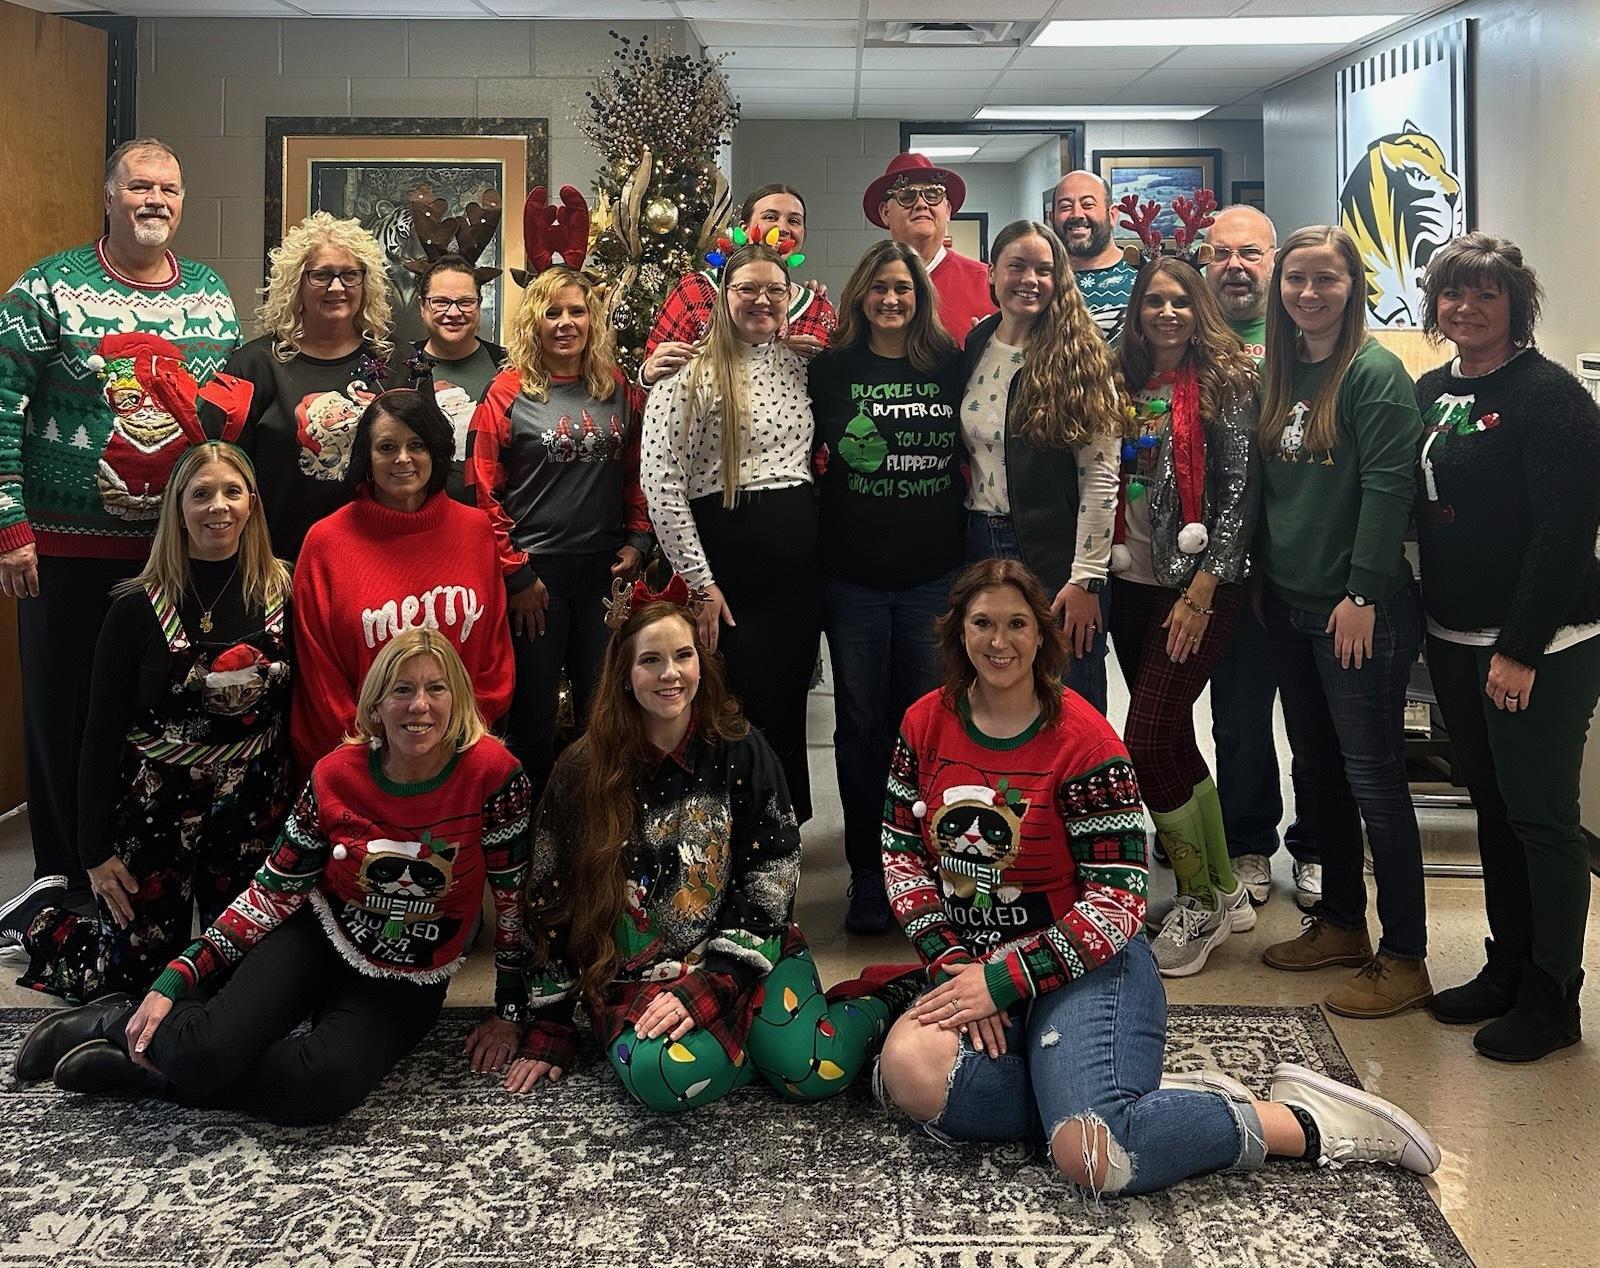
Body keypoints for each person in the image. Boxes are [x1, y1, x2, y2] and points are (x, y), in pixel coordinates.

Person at [873, 558, 1441, 1195]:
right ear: (958, 631)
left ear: (1042, 635)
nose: (998, 642)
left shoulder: (1086, 743)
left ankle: (1301, 1122)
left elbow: (1118, 904)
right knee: (908, 1070)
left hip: (1090, 966)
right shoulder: (925, 722)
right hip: (975, 965)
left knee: (1095, 1158)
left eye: (1016, 624)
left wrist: (1007, 981)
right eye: (982, 623)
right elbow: (902, 853)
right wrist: (955, 967)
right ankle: (1110, 1090)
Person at [13, 631, 533, 1124]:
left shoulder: (495, 776)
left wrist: (509, 1009)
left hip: (408, 974)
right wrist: (178, 976)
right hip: (318, 934)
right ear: (376, 705)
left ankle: (138, 1068)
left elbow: (512, 902)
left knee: (322, 1085)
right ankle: (117, 1017)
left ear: (459, 700)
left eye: (435, 688)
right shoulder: (336, 775)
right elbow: (272, 890)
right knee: (206, 1050)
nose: (419, 705)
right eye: (402, 689)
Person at [506, 577, 905, 1110]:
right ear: (624, 674)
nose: (670, 674)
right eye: (651, 660)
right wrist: (551, 1022)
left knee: (815, 1072)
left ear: (701, 662)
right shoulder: (580, 770)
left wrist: (711, 986)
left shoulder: (743, 749)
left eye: (683, 656)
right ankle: (767, 1045)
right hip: (635, 977)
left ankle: (884, 1000)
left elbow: (772, 875)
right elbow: (549, 895)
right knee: (660, 1079)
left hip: (744, 956)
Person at [0, 138, 240, 940]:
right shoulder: (48, 285)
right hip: (62, 548)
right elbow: (1, 404)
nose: (155, 200)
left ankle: (139, 868)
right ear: (109, 196)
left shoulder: (209, 295)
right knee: (64, 709)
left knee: (156, 712)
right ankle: (62, 877)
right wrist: (9, 524)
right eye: (139, 186)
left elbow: (217, 421)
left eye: (168, 188)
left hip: (170, 553)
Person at [17, 421, 292, 1003]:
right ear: (178, 508)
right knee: (131, 981)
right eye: (201, 494)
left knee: (241, 978)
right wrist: (93, 853)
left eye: (232, 492)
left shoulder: (283, 592)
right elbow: (98, 735)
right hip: (155, 804)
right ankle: (39, 923)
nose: (218, 507)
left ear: (252, 503)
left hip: (254, 803)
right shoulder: (135, 606)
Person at [1415, 232, 1600, 1061]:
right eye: (1454, 294)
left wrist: (1519, 645)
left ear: (1515, 304)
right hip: (1453, 636)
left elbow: (1564, 532)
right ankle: (1507, 966)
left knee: (1539, 818)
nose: (1467, 308)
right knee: (1492, 808)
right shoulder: (1430, 391)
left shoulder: (1551, 397)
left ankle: (1554, 997)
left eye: (1486, 294)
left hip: (1542, 642)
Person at [1255, 225, 1430, 1019]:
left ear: (1352, 285)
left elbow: (1390, 490)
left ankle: (1405, 955)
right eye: (1296, 279)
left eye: (1325, 279)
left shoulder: (1374, 373)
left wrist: (1360, 594)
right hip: (1290, 601)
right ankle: (1341, 925)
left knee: (1375, 780)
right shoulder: (1283, 368)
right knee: (1317, 770)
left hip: (1358, 611)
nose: (1308, 293)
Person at [1107, 255, 1261, 977]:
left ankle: (1196, 900)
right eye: (1152, 303)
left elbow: (1239, 497)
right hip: (1130, 582)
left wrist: (1202, 589)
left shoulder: (1228, 384)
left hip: (1195, 586)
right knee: (1170, 737)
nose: (1165, 313)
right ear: (1137, 313)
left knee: (1143, 739)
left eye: (1178, 302)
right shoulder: (1119, 381)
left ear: (1198, 309)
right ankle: (1225, 887)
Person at [807, 241, 965, 933]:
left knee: (926, 725)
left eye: (903, 287)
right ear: (860, 296)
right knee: (862, 728)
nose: (892, 300)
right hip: (854, 581)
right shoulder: (831, 369)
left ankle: (925, 866)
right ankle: (870, 873)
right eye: (879, 288)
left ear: (919, 294)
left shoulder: (949, 364)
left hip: (935, 575)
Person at [641, 242, 821, 823]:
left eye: (775, 290)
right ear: (724, 295)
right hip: (726, 579)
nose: (762, 300)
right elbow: (661, 481)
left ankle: (780, 858)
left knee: (786, 710)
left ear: (789, 297)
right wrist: (699, 582)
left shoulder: (800, 364)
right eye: (748, 289)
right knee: (729, 713)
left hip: (795, 585)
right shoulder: (685, 374)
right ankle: (721, 847)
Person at [467, 264, 651, 799]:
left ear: (593, 320)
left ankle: (594, 828)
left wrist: (638, 539)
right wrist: (516, 575)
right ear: (534, 323)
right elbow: (483, 492)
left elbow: (639, 471)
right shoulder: (506, 392)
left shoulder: (615, 387)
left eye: (577, 311)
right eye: (552, 313)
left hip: (603, 573)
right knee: (533, 716)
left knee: (603, 712)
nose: (566, 323)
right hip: (535, 580)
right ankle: (529, 840)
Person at [291, 388, 513, 773]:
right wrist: (376, 755)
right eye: (387, 447)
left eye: (417, 445)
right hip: (360, 762)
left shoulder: (475, 531)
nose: (403, 459)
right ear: (367, 456)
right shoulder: (325, 543)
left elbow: (494, 656)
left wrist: (455, 740)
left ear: (435, 453)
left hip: (462, 756)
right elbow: (319, 675)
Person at [1202, 205, 1320, 911]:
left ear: (1272, 260)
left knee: (1313, 721)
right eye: (1222, 254)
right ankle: (1248, 843)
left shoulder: (1304, 340)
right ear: (1204, 260)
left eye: (1250, 253)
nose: (1236, 267)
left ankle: (1318, 848)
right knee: (1239, 719)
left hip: (1305, 562)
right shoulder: (1191, 336)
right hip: (1229, 566)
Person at [959, 220, 1120, 713]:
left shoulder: (1082, 353)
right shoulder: (977, 343)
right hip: (980, 541)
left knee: (1070, 692)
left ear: (1060, 278)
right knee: (997, 685)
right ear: (993, 274)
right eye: (1017, 267)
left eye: (1044, 270)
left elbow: (1100, 475)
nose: (1030, 279)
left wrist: (1087, 577)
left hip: (1056, 555)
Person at [229, 211, 393, 560]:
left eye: (350, 275)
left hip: (376, 557)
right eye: (321, 275)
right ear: (295, 284)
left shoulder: (394, 367)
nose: (337, 287)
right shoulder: (253, 365)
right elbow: (224, 468)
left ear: (366, 283)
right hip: (277, 560)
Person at [642, 183, 836, 387]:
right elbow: (655, 389)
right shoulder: (695, 291)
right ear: (744, 228)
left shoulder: (818, 309)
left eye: (794, 221)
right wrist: (649, 374)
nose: (783, 228)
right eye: (770, 217)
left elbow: (835, 394)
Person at [864, 153, 996, 347]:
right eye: (907, 196)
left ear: (948, 210)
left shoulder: (988, 284)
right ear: (886, 213)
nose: (921, 204)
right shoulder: (864, 287)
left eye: (933, 195)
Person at [408, 253, 506, 505]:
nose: (453, 312)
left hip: (495, 521)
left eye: (465, 302)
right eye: (440, 302)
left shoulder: (508, 367)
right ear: (422, 306)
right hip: (417, 519)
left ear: (479, 305)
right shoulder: (400, 367)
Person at [1050, 170, 1140, 342]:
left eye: (1088, 205)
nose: (1076, 214)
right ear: (1051, 218)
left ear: (1112, 215)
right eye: (1065, 207)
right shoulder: (1042, 281)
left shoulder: (1146, 275)